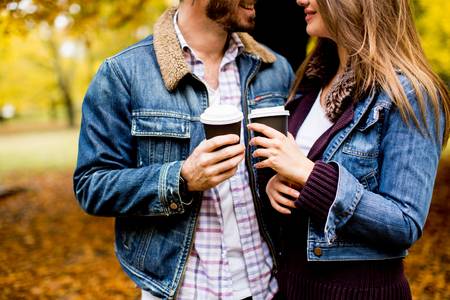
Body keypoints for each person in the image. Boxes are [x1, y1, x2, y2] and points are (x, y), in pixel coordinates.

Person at [73, 0, 294, 299]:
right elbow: (92, 186)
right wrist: (181, 179)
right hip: (182, 290)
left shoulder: (276, 70)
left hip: (269, 285)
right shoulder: (124, 73)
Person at [248, 0, 450, 299]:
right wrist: (276, 185)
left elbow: (404, 223)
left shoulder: (410, 94)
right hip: (289, 286)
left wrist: (308, 174)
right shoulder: (312, 81)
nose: (301, 0)